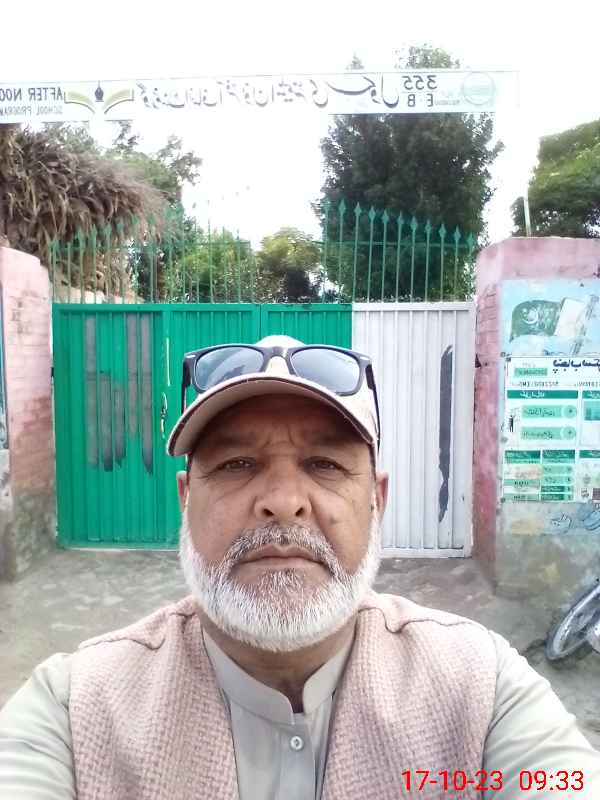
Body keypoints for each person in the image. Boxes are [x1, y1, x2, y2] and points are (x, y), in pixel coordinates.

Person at [1, 334, 599, 800]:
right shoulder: (73, 708)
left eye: (325, 465)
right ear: (186, 500)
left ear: (377, 501)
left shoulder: (481, 688)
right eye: (236, 464)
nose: (284, 501)